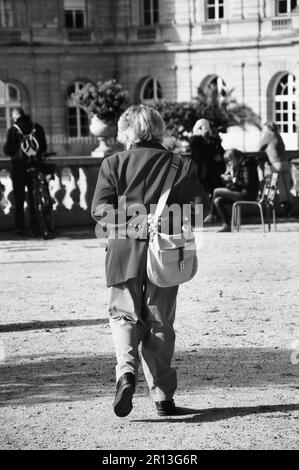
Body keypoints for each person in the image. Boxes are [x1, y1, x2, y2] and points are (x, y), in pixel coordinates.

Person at [91, 104, 210, 418]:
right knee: (160, 323)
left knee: (123, 316)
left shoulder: (113, 163)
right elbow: (201, 212)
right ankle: (163, 399)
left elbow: (99, 211)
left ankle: (126, 373)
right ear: (158, 130)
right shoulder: (181, 165)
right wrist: (167, 221)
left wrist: (135, 224)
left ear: (126, 132)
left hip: (123, 250)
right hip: (167, 251)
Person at [3, 107, 47, 235]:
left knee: (19, 197)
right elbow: (43, 147)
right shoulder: (37, 127)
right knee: (34, 196)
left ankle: (20, 226)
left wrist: (17, 151)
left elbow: (7, 150)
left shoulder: (13, 130)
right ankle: (35, 224)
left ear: (15, 117)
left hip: (19, 167)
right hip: (34, 166)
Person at [205, 148, 259, 232]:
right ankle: (227, 225)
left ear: (234, 158)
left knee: (216, 191)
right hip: (242, 192)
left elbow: (248, 184)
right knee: (218, 201)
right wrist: (228, 181)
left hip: (247, 194)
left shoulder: (247, 165)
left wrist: (233, 179)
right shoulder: (241, 165)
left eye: (229, 160)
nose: (229, 163)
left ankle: (212, 214)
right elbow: (237, 186)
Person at [258, 122, 294, 216]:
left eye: (264, 128)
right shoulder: (278, 135)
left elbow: (258, 148)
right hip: (285, 163)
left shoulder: (268, 135)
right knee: (287, 189)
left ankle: (280, 211)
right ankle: (290, 210)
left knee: (278, 189)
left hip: (276, 165)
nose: (263, 130)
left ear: (267, 128)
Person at [189, 118, 226, 197]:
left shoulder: (213, 141)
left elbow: (221, 152)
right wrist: (214, 156)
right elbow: (201, 155)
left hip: (213, 173)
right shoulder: (195, 141)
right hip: (202, 173)